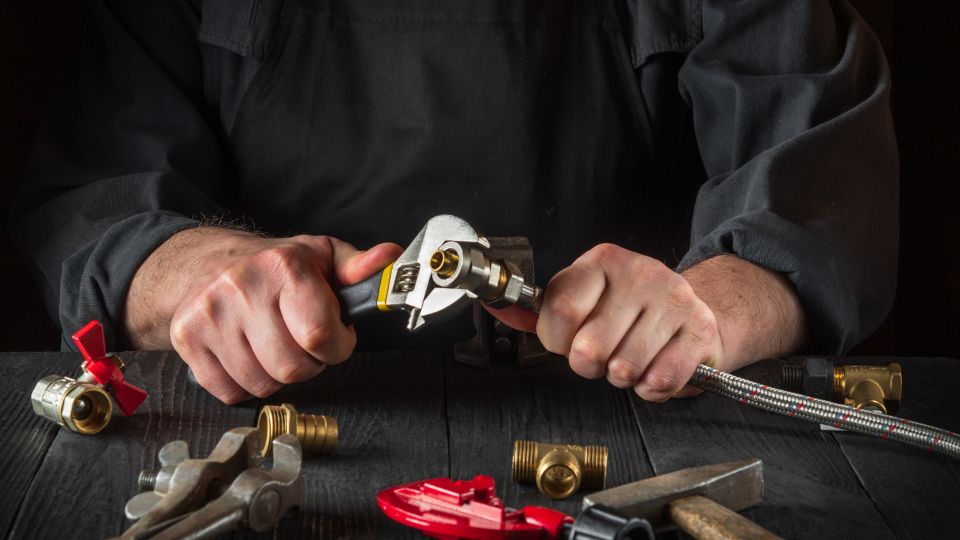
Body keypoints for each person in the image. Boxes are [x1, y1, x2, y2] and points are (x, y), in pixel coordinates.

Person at [10, 0, 897, 405]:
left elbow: (818, 175)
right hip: (280, 428)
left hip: (637, 421)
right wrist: (207, 276)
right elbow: (98, 192)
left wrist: (707, 306)